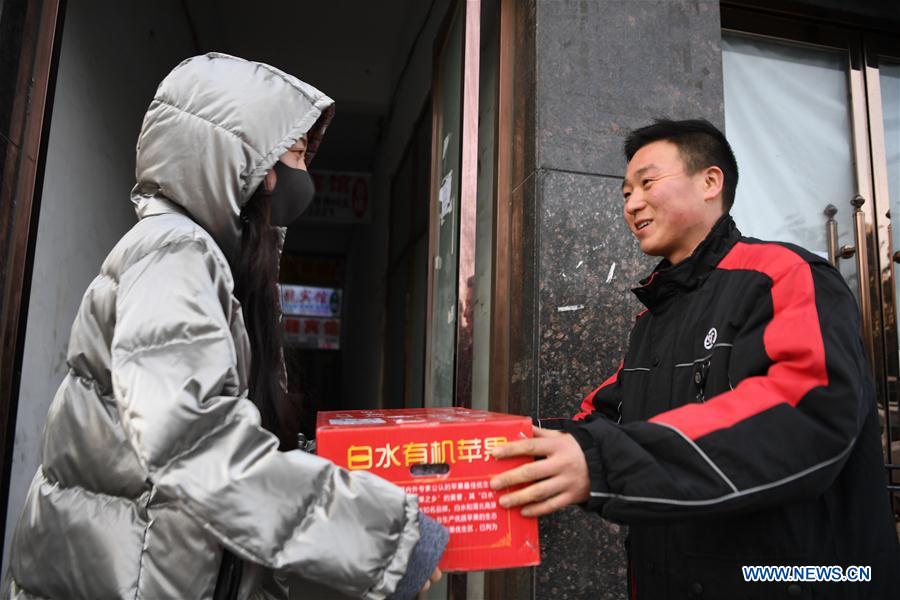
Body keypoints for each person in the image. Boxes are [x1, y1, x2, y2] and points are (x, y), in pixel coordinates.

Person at [3, 53, 446, 600]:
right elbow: (193, 440)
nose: (303, 173)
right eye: (297, 152)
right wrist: (384, 541)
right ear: (241, 156)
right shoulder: (175, 253)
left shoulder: (214, 267)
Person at [490, 119, 900, 599]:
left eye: (647, 182)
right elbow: (601, 418)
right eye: (625, 193)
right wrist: (488, 449)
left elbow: (805, 411)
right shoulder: (655, 319)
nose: (632, 203)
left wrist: (603, 464)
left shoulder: (785, 275)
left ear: (710, 182)